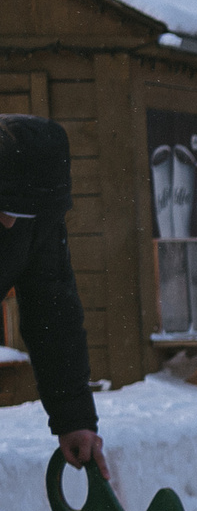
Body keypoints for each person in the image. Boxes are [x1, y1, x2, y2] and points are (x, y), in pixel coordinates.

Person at [0, 117, 105, 477]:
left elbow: (53, 314)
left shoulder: (39, 221)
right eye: (6, 208)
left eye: (21, 212)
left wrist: (73, 417)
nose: (11, 222)